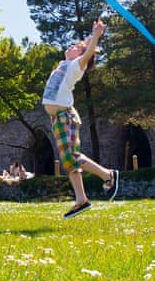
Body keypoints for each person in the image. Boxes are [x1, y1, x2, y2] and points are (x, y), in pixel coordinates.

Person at [41, 18, 119, 218]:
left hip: (65, 116)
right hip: (58, 118)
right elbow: (86, 47)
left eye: (76, 47)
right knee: (71, 159)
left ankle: (89, 193)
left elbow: (88, 53)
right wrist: (89, 38)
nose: (71, 46)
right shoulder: (65, 64)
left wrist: (96, 36)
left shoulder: (76, 66)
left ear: (81, 55)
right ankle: (98, 184)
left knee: (71, 158)